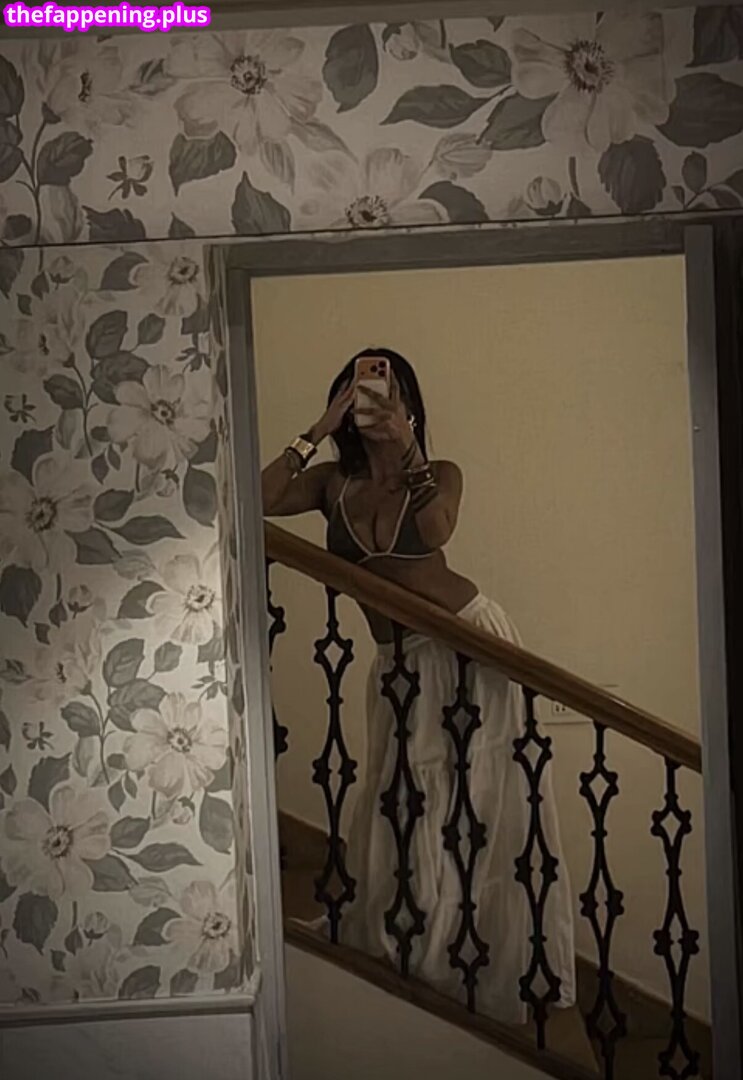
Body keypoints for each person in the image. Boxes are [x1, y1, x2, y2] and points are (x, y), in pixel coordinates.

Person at [261, 347, 576, 1024]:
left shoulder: (440, 474)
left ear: (409, 403)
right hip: (397, 663)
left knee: (482, 797)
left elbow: (437, 528)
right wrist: (316, 429)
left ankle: (478, 961)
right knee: (400, 797)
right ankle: (417, 945)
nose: (376, 399)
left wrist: (406, 448)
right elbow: (254, 502)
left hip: (469, 643)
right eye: (362, 388)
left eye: (390, 389)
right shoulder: (331, 484)